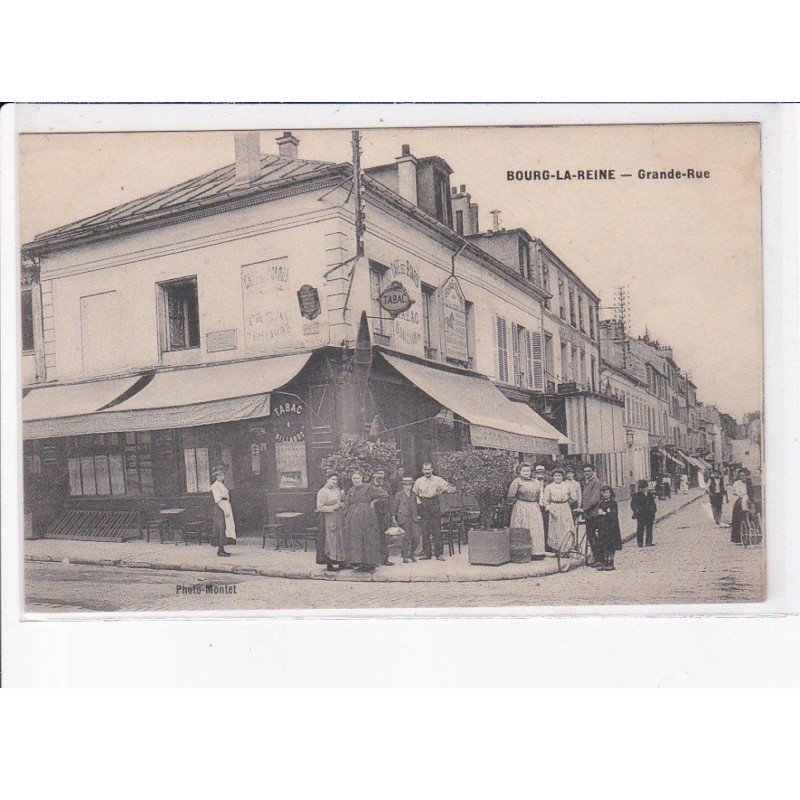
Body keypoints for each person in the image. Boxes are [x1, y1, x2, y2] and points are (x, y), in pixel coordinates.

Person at [344, 470, 386, 572]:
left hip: (367, 516)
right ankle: (360, 563)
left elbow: (384, 494)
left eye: (358, 478)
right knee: (356, 540)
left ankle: (370, 564)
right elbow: (347, 503)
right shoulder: (351, 490)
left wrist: (373, 502)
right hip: (353, 517)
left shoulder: (368, 487)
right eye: (354, 478)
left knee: (368, 538)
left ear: (362, 478)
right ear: (351, 480)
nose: (356, 480)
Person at [412, 463, 455, 561]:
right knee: (425, 530)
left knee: (437, 529)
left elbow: (449, 487)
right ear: (423, 471)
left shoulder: (438, 479)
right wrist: (419, 502)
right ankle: (427, 554)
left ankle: (438, 554)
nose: (427, 471)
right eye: (425, 470)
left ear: (432, 470)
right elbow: (414, 494)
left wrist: (447, 489)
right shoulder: (419, 481)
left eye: (429, 469)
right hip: (423, 504)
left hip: (434, 502)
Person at [506, 463, 546, 560]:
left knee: (535, 528)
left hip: (533, 507)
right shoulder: (517, 482)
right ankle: (522, 552)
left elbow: (537, 496)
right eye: (524, 471)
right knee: (523, 527)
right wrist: (519, 505)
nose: (526, 473)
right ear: (519, 472)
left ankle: (536, 552)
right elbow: (511, 496)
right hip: (521, 507)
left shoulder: (536, 482)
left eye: (528, 471)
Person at [542, 467, 579, 554]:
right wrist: (550, 509)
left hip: (565, 508)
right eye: (556, 476)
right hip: (554, 508)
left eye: (559, 476)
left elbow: (574, 497)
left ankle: (567, 549)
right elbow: (545, 500)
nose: (558, 477)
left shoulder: (567, 486)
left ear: (563, 477)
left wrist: (567, 503)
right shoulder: (549, 487)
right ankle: (557, 550)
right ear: (553, 477)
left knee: (566, 527)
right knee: (555, 529)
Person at [315, 473, 347, 571]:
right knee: (330, 541)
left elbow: (341, 501)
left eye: (336, 480)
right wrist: (333, 507)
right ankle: (329, 563)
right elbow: (319, 507)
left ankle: (341, 562)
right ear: (327, 480)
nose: (334, 482)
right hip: (328, 518)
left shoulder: (337, 490)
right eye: (332, 479)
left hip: (338, 518)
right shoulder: (322, 491)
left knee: (339, 539)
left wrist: (342, 502)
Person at [392, 475, 421, 563]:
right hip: (404, 519)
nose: (407, 486)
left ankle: (411, 553)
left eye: (409, 485)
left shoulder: (414, 494)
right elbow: (394, 507)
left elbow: (418, 505)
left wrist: (418, 515)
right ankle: (405, 555)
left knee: (416, 537)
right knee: (406, 538)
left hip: (413, 518)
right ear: (403, 485)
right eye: (405, 484)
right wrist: (393, 517)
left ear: (412, 485)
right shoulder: (398, 495)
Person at [579, 463, 603, 566]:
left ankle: (598, 559)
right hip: (588, 513)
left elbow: (594, 499)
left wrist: (584, 509)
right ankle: (595, 558)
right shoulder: (586, 482)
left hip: (594, 513)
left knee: (593, 536)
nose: (587, 473)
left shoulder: (596, 482)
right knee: (590, 536)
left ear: (593, 471)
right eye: (585, 471)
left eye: (589, 471)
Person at [210, 467, 236, 558]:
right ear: (216, 476)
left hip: (225, 506)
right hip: (220, 508)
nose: (222, 476)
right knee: (221, 528)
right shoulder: (215, 486)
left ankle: (222, 549)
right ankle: (220, 550)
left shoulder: (221, 484)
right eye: (220, 475)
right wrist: (225, 511)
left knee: (225, 527)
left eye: (223, 474)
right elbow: (218, 500)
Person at [596, 485, 622, 571]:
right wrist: (605, 512)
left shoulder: (613, 503)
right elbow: (599, 513)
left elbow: (613, 514)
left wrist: (605, 513)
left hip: (612, 526)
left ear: (611, 493)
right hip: (603, 526)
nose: (605, 494)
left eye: (607, 492)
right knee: (604, 544)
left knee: (611, 545)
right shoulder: (601, 503)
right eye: (603, 493)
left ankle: (611, 561)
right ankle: (605, 561)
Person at [371, 469, 394, 566]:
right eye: (378, 473)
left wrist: (391, 514)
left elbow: (390, 500)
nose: (380, 475)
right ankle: (374, 560)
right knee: (373, 537)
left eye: (382, 473)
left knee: (384, 537)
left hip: (384, 514)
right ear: (373, 474)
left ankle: (385, 559)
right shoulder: (369, 485)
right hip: (373, 514)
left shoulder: (387, 485)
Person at [630, 479, 657, 547]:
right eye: (641, 488)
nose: (642, 489)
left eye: (644, 488)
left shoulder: (650, 495)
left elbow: (653, 504)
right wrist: (636, 510)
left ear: (647, 487)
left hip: (649, 514)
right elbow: (633, 504)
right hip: (641, 514)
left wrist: (653, 510)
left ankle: (649, 542)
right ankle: (640, 543)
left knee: (649, 529)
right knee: (640, 529)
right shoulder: (636, 495)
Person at [730, 469, 750, 544]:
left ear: (747, 475)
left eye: (743, 475)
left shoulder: (749, 482)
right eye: (740, 475)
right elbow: (736, 493)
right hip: (740, 500)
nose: (742, 477)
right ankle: (738, 538)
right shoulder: (737, 483)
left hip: (748, 499)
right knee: (739, 516)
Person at [533, 464, 551, 547]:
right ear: (535, 474)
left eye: (542, 473)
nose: (540, 474)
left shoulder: (548, 483)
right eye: (538, 473)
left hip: (545, 507)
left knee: (546, 526)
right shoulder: (532, 482)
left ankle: (546, 546)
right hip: (535, 506)